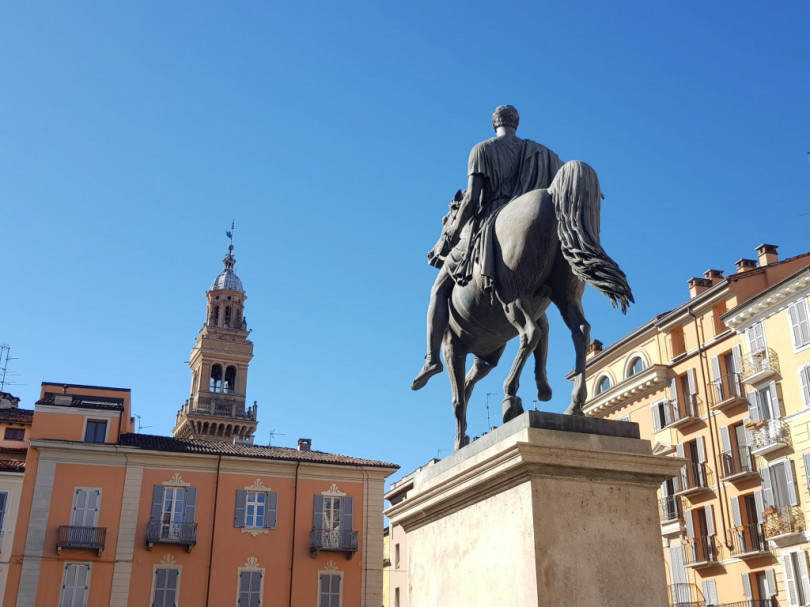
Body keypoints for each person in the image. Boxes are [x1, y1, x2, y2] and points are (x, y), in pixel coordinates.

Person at [411, 105, 563, 390]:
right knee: (535, 300)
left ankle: (432, 358)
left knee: (439, 289)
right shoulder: (542, 153)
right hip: (532, 231)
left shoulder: (482, 149)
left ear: (495, 123)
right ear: (516, 123)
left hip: (487, 223)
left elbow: (472, 199)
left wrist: (450, 234)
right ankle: (540, 372)